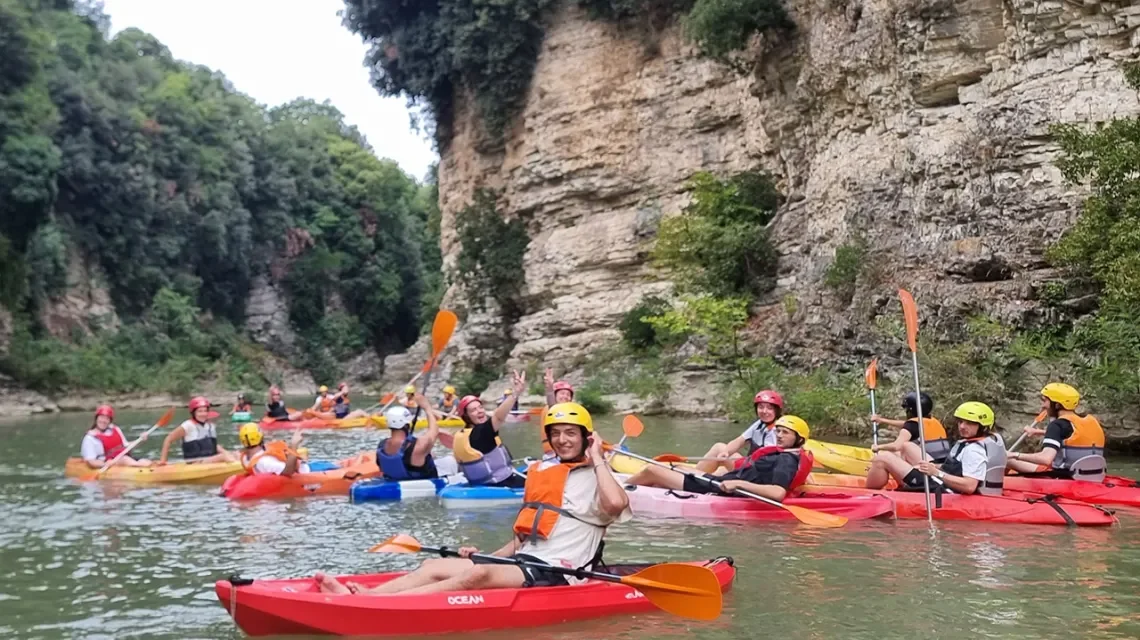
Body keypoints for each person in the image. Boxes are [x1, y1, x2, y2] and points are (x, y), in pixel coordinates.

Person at [315, 402, 630, 595]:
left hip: (563, 572)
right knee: (434, 564)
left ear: (586, 437)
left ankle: (370, 603)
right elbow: (522, 542)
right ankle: (370, 593)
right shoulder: (545, 474)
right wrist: (487, 555)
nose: (562, 440)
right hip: (525, 562)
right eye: (556, 433)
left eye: (570, 433)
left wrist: (598, 457)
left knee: (479, 574)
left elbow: (615, 506)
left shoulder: (600, 479)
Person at [624, 415, 814, 502]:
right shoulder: (784, 452)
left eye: (785, 433)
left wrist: (739, 484)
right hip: (721, 480)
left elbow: (777, 493)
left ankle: (619, 492)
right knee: (678, 467)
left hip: (719, 488)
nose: (779, 436)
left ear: (799, 439)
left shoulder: (786, 460)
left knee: (652, 470)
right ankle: (633, 487)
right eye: (778, 431)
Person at [866, 401, 1006, 495]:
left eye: (970, 423)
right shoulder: (990, 439)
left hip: (944, 489)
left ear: (982, 426)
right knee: (907, 446)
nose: (962, 426)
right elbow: (958, 467)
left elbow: (969, 487)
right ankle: (906, 479)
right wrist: (934, 467)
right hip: (943, 477)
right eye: (961, 422)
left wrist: (936, 473)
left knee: (882, 458)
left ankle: (868, 493)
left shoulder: (974, 450)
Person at [1006, 383, 1106, 482]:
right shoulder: (1090, 422)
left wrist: (1014, 454)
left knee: (1006, 459)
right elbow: (1069, 436)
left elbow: (1045, 459)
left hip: (1064, 478)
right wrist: (1038, 432)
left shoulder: (1057, 425)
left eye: (1045, 401)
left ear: (1057, 404)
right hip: (1094, 476)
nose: (1043, 405)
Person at [453, 371, 528, 488]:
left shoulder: (463, 434)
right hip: (501, 483)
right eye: (473, 410)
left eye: (480, 407)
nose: (480, 411)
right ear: (466, 417)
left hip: (482, 483)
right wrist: (515, 393)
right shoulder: (480, 434)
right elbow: (498, 417)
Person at [697, 390, 784, 472]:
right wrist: (726, 452)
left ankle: (692, 476)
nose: (764, 411)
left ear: (776, 410)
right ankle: (698, 476)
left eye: (769, 408)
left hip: (757, 473)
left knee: (718, 447)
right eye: (761, 407)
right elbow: (739, 441)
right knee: (721, 470)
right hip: (751, 467)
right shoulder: (760, 424)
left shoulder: (778, 431)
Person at [870, 391, 950, 465]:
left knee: (885, 455)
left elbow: (896, 446)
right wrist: (882, 420)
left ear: (910, 410)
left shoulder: (912, 425)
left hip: (926, 465)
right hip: (942, 463)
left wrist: (878, 447)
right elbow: (907, 425)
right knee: (896, 453)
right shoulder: (933, 421)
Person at [377, 395, 440, 480]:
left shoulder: (382, 446)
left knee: (430, 455)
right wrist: (427, 409)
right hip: (421, 485)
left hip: (394, 482)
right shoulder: (418, 446)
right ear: (407, 425)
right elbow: (434, 432)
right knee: (449, 460)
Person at [157, 397, 232, 465]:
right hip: (195, 463)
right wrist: (163, 461)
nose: (203, 414)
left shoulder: (210, 426)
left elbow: (213, 446)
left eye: (205, 411)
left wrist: (227, 453)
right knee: (224, 456)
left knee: (236, 454)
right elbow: (168, 439)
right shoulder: (188, 425)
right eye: (200, 411)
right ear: (193, 413)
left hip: (210, 460)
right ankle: (237, 469)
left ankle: (236, 467)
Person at [80, 405, 152, 469]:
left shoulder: (115, 429)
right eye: (101, 417)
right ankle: (138, 466)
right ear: (96, 419)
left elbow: (127, 447)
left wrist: (140, 440)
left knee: (147, 462)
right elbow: (91, 462)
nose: (103, 421)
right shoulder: (90, 438)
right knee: (125, 459)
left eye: (107, 418)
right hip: (107, 462)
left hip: (124, 459)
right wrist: (104, 464)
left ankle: (140, 465)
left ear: (110, 421)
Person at [237, 423, 308, 476]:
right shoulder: (265, 461)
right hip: (304, 473)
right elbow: (287, 472)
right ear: (260, 437)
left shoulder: (246, 458)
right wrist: (294, 445)